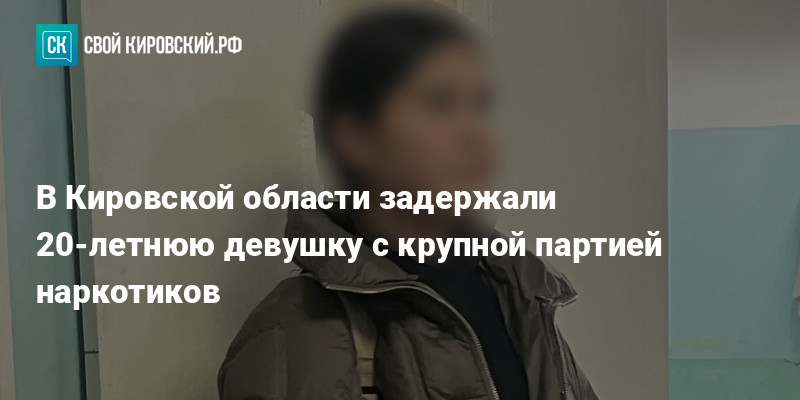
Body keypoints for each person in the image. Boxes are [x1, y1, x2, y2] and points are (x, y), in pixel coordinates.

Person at [218, 6, 597, 400]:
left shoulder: (525, 298)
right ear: (356, 138)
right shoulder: (299, 331)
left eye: (482, 105)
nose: (476, 133)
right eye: (439, 103)